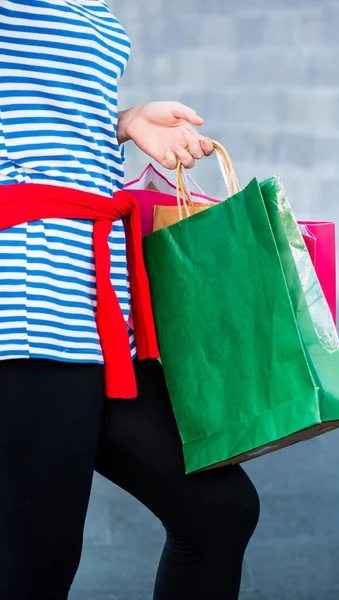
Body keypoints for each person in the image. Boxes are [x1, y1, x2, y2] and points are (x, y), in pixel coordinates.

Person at [0, 2, 260, 599]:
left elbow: (37, 103)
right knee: (36, 565)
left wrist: (122, 121)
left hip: (96, 306)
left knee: (218, 511)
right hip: (29, 301)